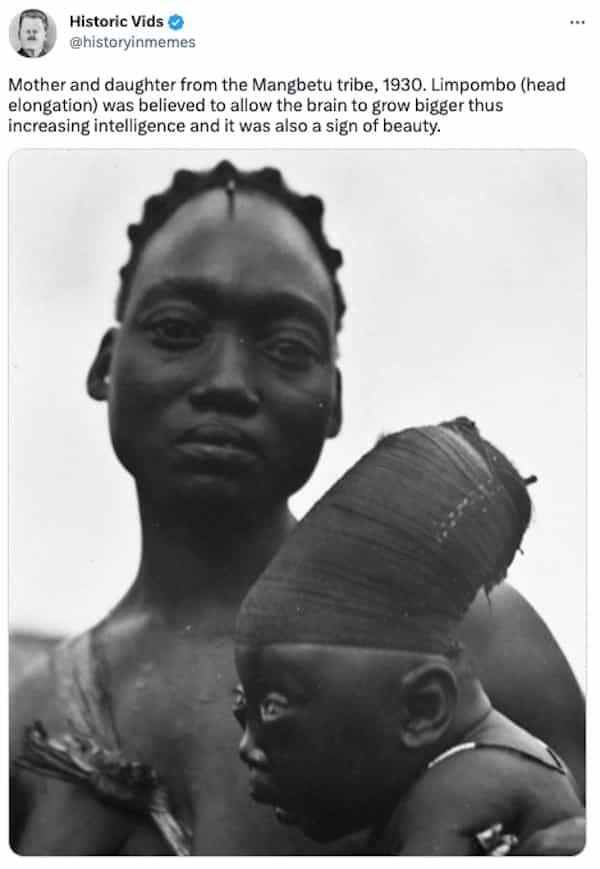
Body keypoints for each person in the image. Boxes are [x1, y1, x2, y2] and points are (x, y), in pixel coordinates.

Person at [10, 162, 584, 855]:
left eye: (287, 347)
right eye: (176, 329)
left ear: (334, 400)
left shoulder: (466, 635)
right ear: (107, 364)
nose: (226, 382)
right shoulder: (27, 715)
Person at [235, 419, 584, 854]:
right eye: (241, 710)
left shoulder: (463, 795)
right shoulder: (457, 780)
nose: (246, 748)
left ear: (423, 708)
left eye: (272, 709)